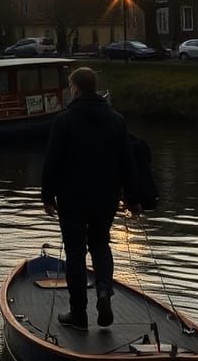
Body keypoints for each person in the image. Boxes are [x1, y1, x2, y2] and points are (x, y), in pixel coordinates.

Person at [41, 66, 140, 331]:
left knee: (75, 252)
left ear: (75, 88)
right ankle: (105, 291)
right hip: (106, 196)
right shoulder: (116, 120)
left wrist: (47, 196)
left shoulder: (64, 120)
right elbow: (127, 163)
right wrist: (132, 197)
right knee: (100, 244)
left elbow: (52, 162)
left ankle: (78, 314)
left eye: (70, 87)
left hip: (72, 197)